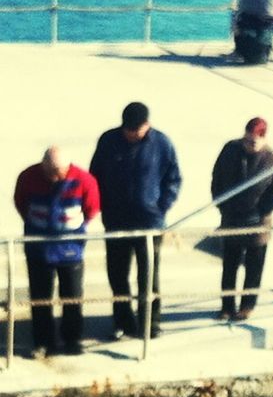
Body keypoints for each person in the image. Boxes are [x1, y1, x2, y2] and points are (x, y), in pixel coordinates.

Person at [90, 102, 182, 339]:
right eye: (128, 130)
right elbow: (95, 176)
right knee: (118, 275)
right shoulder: (108, 141)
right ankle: (123, 321)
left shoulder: (161, 143)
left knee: (149, 276)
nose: (131, 135)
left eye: (136, 130)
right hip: (117, 221)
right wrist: (104, 207)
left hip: (149, 223)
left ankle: (151, 322)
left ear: (147, 125)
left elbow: (173, 178)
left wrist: (160, 208)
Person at [13, 147, 100, 358]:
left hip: (70, 249)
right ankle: (43, 341)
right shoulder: (28, 177)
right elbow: (21, 202)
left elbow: (92, 208)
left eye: (57, 171)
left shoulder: (84, 180)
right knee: (40, 297)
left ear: (67, 167)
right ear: (42, 164)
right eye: (49, 170)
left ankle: (72, 339)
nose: (53, 176)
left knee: (72, 295)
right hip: (38, 248)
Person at [211, 116, 273, 321]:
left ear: (263, 139)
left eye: (253, 142)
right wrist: (221, 204)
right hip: (232, 218)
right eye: (246, 140)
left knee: (254, 267)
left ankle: (247, 306)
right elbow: (217, 177)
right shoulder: (230, 150)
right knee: (229, 266)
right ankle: (227, 305)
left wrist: (262, 211)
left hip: (257, 223)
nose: (248, 146)